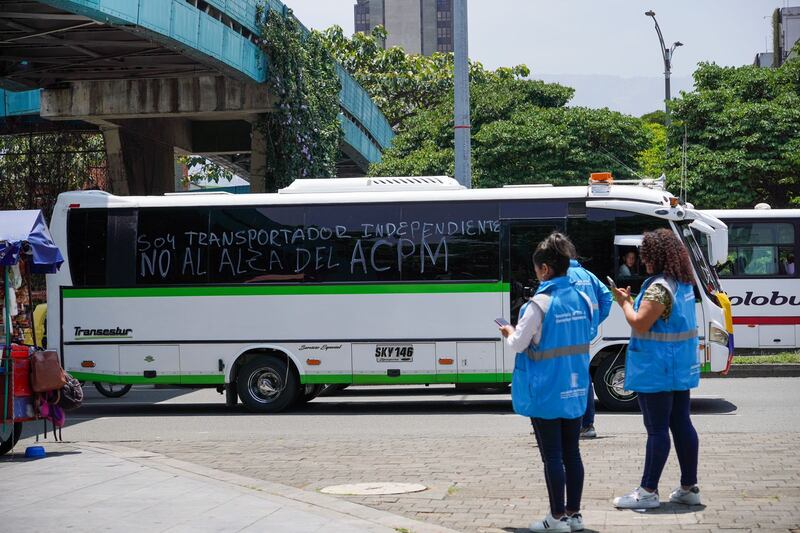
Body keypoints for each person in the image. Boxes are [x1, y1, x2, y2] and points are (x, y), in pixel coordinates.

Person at [500, 232, 593, 533]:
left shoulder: (539, 304)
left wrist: (509, 332)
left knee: (552, 456)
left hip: (546, 390)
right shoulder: (583, 299)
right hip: (576, 388)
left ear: (545, 269)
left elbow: (518, 344)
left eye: (537, 268)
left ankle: (556, 518)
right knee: (573, 454)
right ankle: (574, 516)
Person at [610, 228, 702, 510]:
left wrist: (624, 302)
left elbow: (639, 322)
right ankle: (689, 488)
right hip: (678, 368)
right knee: (682, 424)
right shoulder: (681, 284)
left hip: (657, 369)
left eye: (646, 254)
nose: (642, 259)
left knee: (657, 430)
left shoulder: (659, 287)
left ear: (657, 256)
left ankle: (647, 492)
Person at [565, 243, 613, 439]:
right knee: (582, 378)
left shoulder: (561, 276)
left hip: (565, 335)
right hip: (584, 335)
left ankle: (569, 425)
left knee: (565, 379)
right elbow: (607, 298)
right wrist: (594, 323)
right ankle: (588, 425)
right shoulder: (588, 275)